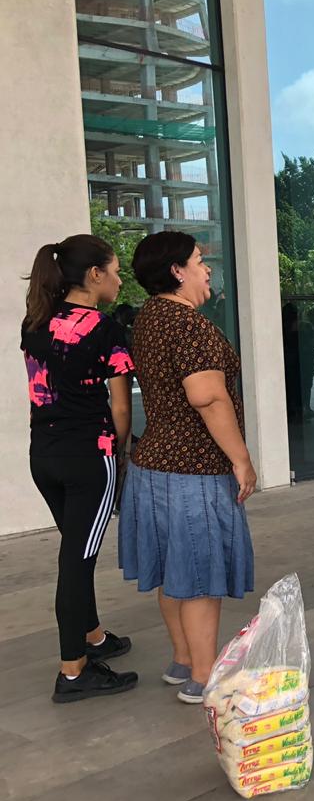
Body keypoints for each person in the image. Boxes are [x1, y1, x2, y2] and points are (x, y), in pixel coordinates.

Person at [117, 231, 256, 704]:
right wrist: (241, 459)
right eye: (199, 260)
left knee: (173, 571)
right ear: (177, 270)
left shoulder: (149, 318)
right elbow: (208, 395)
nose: (208, 267)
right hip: (193, 470)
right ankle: (203, 677)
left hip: (152, 464)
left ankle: (182, 660)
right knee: (198, 576)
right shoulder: (188, 324)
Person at [22, 235, 138, 703]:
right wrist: (122, 452)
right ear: (93, 275)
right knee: (76, 561)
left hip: (44, 456)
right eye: (113, 270)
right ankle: (73, 673)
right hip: (89, 457)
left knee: (75, 547)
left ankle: (91, 635)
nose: (118, 278)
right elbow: (121, 408)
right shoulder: (106, 329)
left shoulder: (35, 323)